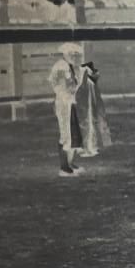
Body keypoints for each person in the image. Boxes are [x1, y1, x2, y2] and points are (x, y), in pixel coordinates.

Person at [48, 42, 86, 176]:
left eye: (75, 54)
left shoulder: (73, 67)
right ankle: (63, 166)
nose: (73, 56)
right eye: (70, 53)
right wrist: (62, 95)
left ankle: (70, 163)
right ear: (64, 54)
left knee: (75, 132)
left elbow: (76, 86)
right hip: (64, 103)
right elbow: (54, 83)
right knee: (66, 132)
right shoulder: (60, 66)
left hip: (72, 102)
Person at [76, 60, 113, 158]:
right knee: (88, 124)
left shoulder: (89, 83)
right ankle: (89, 147)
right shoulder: (87, 83)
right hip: (87, 108)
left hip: (90, 107)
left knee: (90, 124)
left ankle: (91, 147)